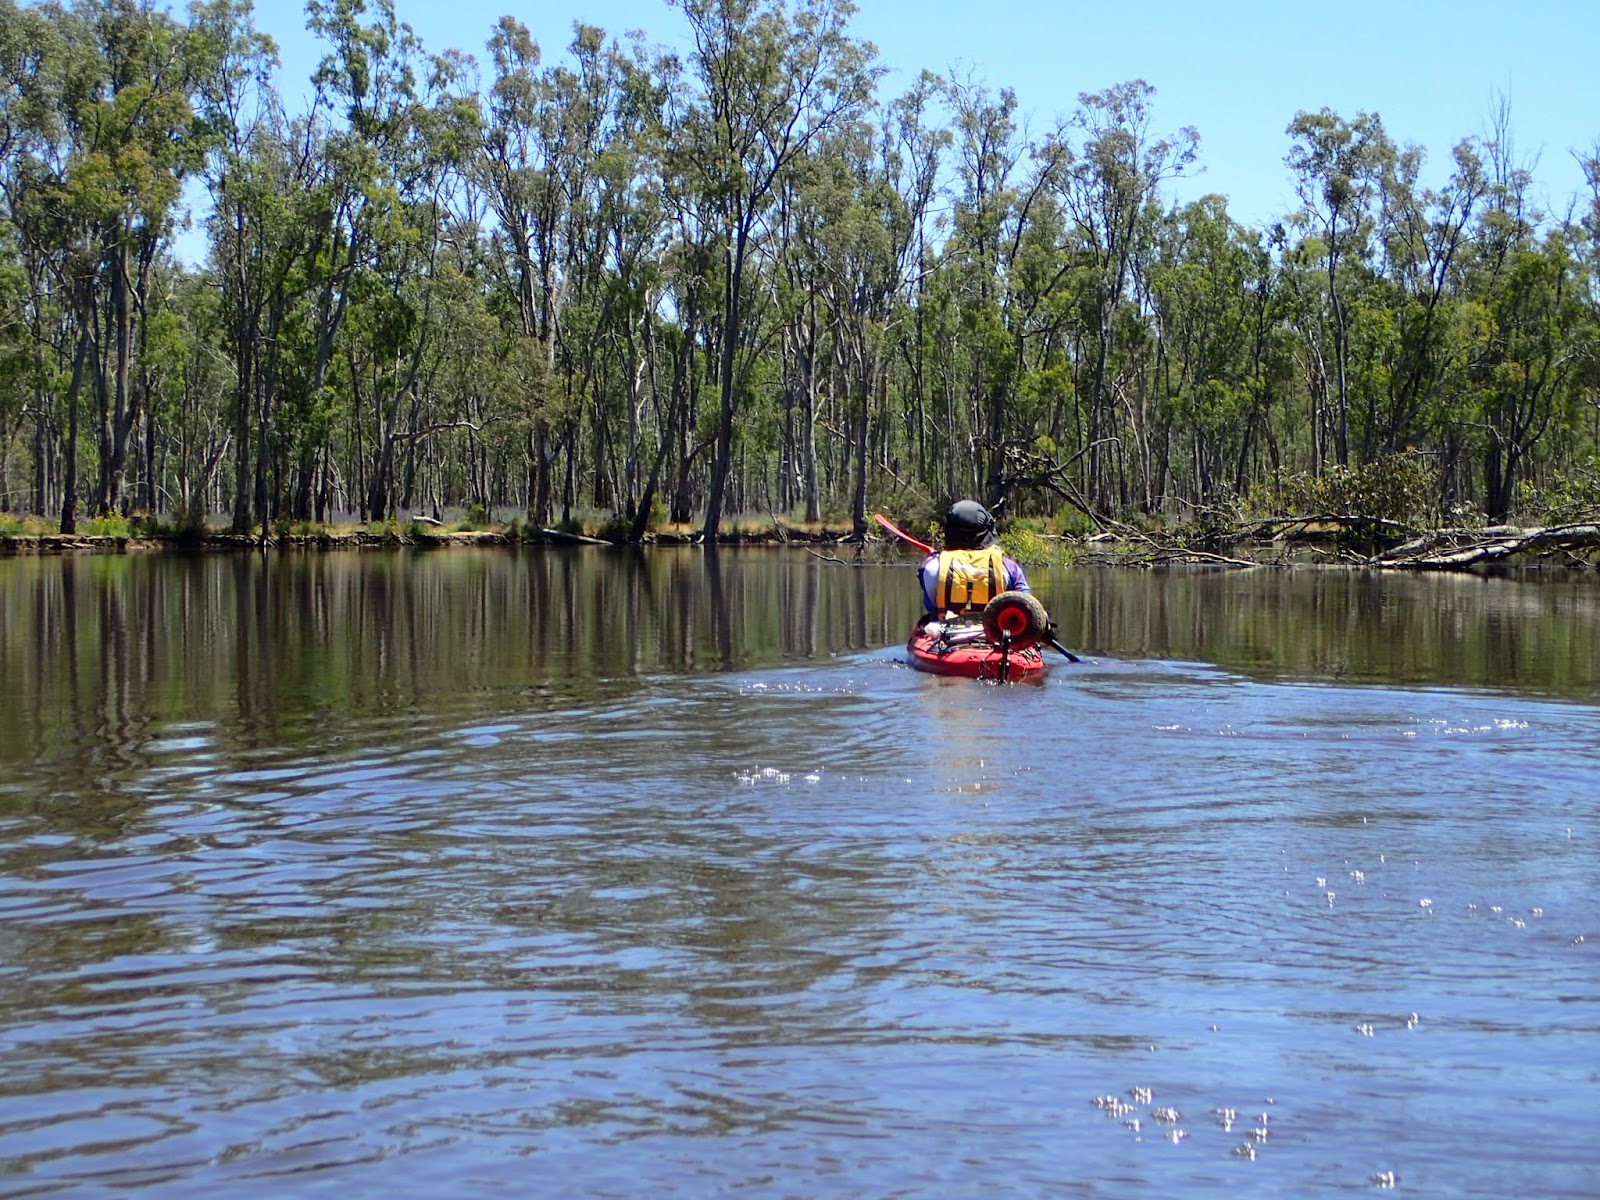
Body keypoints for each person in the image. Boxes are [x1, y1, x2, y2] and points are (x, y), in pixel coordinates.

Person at [918, 500, 1030, 616]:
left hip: (945, 627)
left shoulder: (931, 566)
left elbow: (930, 604)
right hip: (995, 630)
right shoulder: (1008, 567)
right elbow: (1026, 604)